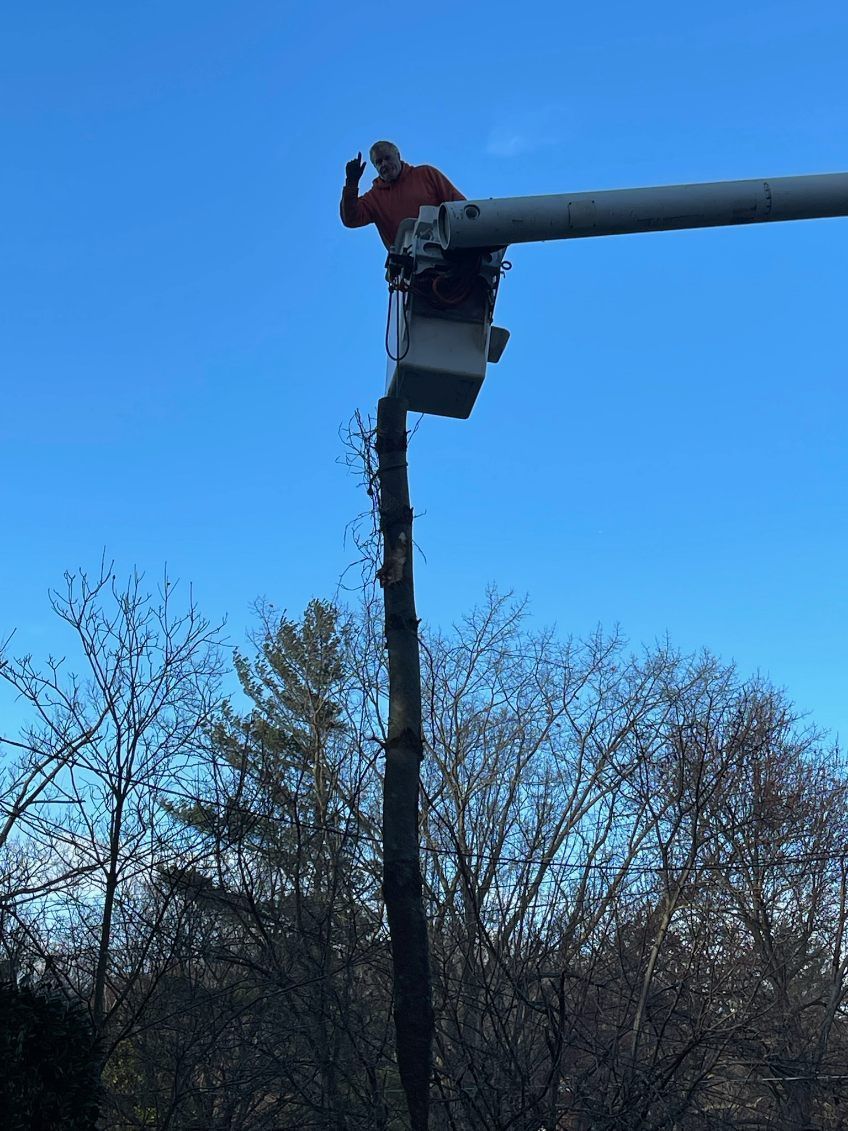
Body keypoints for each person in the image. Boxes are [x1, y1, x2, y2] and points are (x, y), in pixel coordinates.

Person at [340, 141, 466, 250]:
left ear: (398, 156)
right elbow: (351, 218)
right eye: (379, 162)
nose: (384, 164)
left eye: (387, 158)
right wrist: (351, 182)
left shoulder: (426, 174)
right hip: (410, 267)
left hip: (447, 251)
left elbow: (459, 205)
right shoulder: (374, 198)